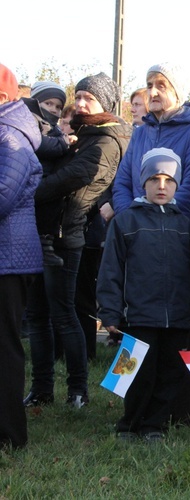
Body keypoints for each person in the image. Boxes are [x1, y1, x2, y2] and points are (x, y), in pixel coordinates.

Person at [24, 72, 132, 409]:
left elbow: (65, 182)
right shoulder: (81, 135)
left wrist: (24, 191)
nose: (81, 103)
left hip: (64, 238)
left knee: (64, 315)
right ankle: (42, 389)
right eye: (79, 96)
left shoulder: (105, 141)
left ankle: (77, 390)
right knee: (39, 315)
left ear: (106, 104)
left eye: (89, 98)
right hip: (45, 234)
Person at [97, 148, 190, 441]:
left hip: (178, 316)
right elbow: (110, 270)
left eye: (169, 180)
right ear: (143, 182)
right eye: (155, 178)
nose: (162, 186)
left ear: (177, 184)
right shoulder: (125, 222)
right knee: (136, 374)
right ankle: (130, 424)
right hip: (138, 315)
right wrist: (109, 311)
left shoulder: (185, 225)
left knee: (169, 374)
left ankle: (154, 425)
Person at [0, 62, 43, 450]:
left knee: (5, 347)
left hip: (8, 260)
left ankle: (11, 435)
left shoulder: (11, 136)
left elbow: (2, 196)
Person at [111, 63, 190, 224]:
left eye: (161, 86)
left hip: (175, 231)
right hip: (135, 229)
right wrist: (129, 219)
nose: (152, 92)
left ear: (177, 92)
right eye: (149, 86)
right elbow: (123, 181)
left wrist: (156, 223)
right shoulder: (140, 133)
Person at [22, 82, 72, 267]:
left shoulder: (53, 127)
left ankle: (46, 243)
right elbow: (39, 144)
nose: (54, 110)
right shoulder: (30, 120)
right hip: (33, 177)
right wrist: (64, 143)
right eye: (48, 104)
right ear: (36, 102)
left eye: (58, 107)